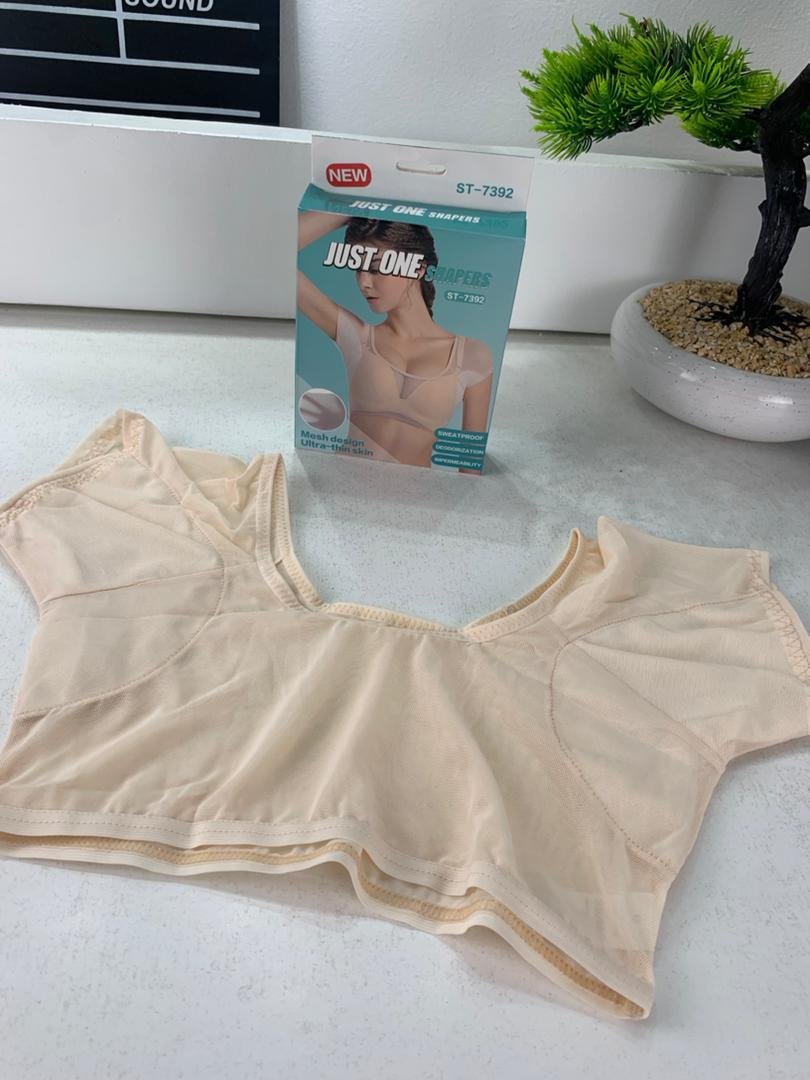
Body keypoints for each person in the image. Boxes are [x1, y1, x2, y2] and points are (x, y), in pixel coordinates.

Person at [297, 210, 494, 471]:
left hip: (415, 494)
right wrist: (352, 210)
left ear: (418, 268)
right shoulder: (357, 337)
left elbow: (469, 466)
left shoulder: (472, 355)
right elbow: (280, 251)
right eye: (358, 269)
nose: (364, 282)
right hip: (344, 484)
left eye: (375, 268)